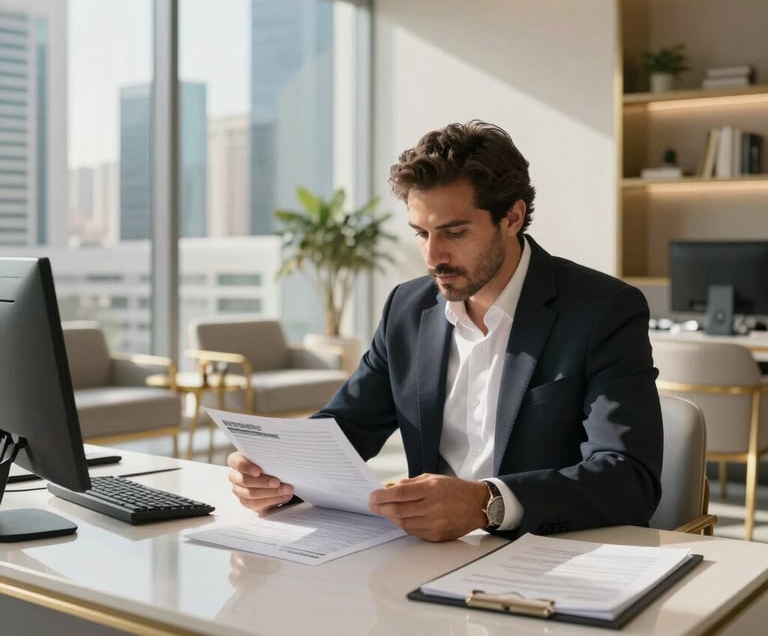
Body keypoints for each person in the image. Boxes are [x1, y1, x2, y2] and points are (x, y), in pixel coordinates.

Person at [228, 120, 663, 542]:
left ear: (512, 218)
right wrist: (277, 473)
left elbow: (628, 477)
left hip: (549, 557)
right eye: (421, 233)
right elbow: (347, 427)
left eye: (454, 232)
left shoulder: (603, 310)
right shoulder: (407, 307)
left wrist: (486, 503)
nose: (434, 255)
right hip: (425, 555)